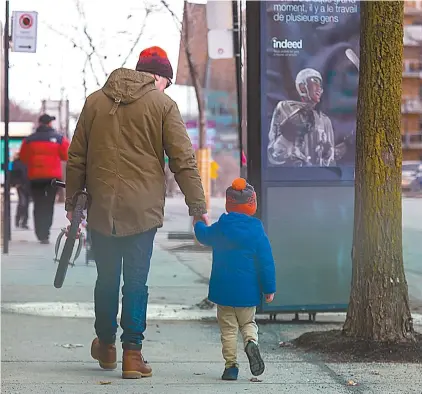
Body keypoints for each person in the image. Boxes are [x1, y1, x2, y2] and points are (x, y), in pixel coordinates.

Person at [65, 46, 208, 379]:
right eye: (166, 82)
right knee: (136, 283)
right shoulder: (163, 106)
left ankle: (105, 345)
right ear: (157, 77)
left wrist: (73, 205)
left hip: (102, 209)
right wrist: (197, 207)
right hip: (142, 213)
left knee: (106, 280)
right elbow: (183, 161)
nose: (166, 89)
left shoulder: (95, 102)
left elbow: (76, 159)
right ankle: (133, 353)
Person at [194, 178, 276, 381]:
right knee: (248, 322)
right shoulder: (256, 230)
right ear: (252, 204)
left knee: (228, 330)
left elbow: (204, 235)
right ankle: (251, 342)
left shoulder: (221, 227)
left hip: (223, 291)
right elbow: (266, 262)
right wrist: (269, 289)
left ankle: (231, 367)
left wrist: (198, 222)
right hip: (248, 292)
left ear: (228, 204)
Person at [267, 68, 336, 167]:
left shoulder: (325, 121)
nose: (320, 88)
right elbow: (273, 156)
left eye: (320, 84)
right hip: (291, 178)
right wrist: (286, 137)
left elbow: (331, 162)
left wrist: (328, 154)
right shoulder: (285, 108)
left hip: (318, 179)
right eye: (315, 82)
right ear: (302, 87)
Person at [19, 114, 69, 243]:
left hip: (35, 177)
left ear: (39, 123)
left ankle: (39, 233)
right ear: (50, 124)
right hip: (52, 179)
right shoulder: (59, 139)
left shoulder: (29, 140)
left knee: (38, 204)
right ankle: (45, 233)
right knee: (49, 204)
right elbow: (66, 155)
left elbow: (23, 157)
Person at [10, 152, 30, 229]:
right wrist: (15, 183)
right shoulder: (16, 163)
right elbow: (13, 174)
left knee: (26, 204)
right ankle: (18, 220)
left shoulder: (29, 162)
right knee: (23, 203)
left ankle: (24, 222)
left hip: (28, 185)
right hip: (21, 186)